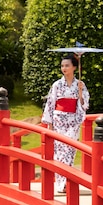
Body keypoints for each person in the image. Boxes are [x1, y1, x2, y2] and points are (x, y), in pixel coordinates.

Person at [41, 53, 90, 193]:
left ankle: (65, 180)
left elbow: (84, 104)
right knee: (59, 151)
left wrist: (80, 94)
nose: (64, 68)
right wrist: (49, 123)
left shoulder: (80, 84)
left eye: (67, 65)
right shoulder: (57, 84)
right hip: (58, 120)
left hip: (73, 121)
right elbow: (50, 103)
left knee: (70, 150)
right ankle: (61, 183)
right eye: (62, 66)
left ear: (74, 67)